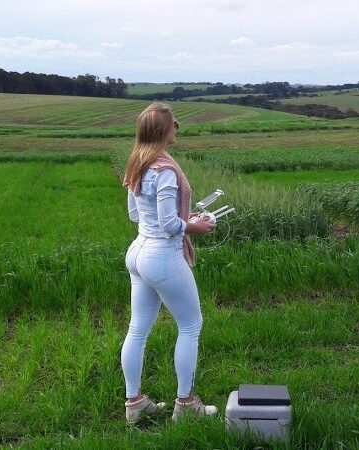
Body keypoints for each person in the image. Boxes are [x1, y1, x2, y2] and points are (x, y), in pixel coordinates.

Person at [120, 102, 217, 425]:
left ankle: (134, 403)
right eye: (174, 122)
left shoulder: (138, 163)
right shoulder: (165, 171)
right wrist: (194, 225)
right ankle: (186, 404)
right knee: (190, 325)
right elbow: (168, 225)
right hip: (162, 255)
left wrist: (181, 218)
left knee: (138, 328)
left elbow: (136, 215)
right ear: (163, 130)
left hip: (138, 251)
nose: (178, 126)